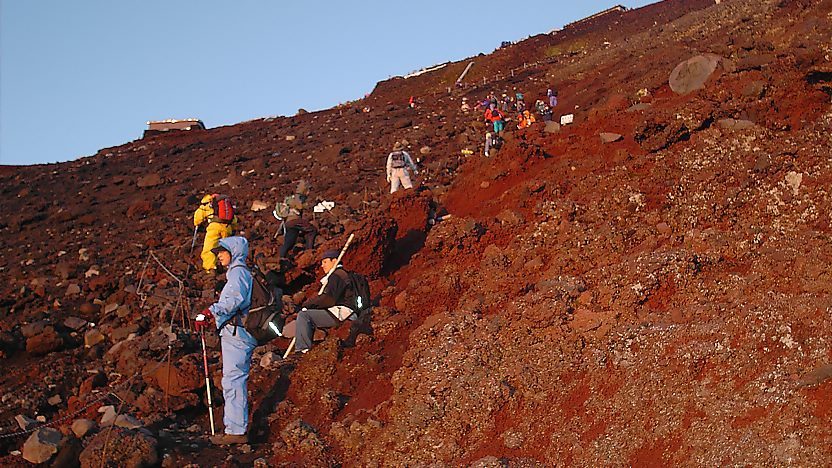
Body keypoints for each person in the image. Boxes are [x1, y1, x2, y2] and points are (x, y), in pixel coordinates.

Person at [195, 236, 256, 445]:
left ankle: (236, 431)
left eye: (221, 251)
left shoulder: (238, 273)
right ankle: (235, 428)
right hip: (239, 331)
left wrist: (209, 313)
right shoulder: (241, 272)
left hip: (236, 333)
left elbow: (232, 301)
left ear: (234, 252)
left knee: (233, 378)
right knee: (233, 378)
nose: (218, 256)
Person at [294, 250, 360, 353]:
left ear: (334, 261)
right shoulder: (346, 274)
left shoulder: (337, 275)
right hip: (350, 312)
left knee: (304, 316)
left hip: (343, 313)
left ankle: (303, 349)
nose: (322, 265)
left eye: (325, 262)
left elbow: (328, 299)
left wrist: (309, 304)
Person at [194, 194, 238, 272]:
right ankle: (231, 266)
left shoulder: (206, 204)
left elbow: (197, 219)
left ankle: (210, 269)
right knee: (225, 249)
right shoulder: (225, 204)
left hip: (214, 228)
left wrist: (197, 224)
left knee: (209, 249)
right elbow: (234, 220)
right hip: (227, 228)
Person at [275, 181, 317, 264]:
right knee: (312, 230)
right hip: (294, 220)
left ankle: (281, 258)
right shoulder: (299, 197)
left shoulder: (292, 197)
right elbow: (300, 206)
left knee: (289, 242)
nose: (308, 192)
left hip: (288, 223)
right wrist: (312, 204)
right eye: (307, 190)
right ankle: (309, 251)